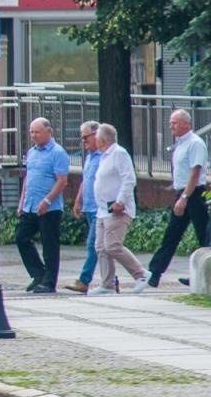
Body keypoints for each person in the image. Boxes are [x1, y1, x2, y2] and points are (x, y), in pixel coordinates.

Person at [148, 109, 209, 288]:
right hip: (182, 193)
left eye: (174, 123)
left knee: (204, 235)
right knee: (172, 234)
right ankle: (154, 273)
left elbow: (195, 172)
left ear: (186, 124)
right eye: (171, 122)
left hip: (192, 194)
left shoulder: (195, 143)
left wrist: (184, 197)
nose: (170, 126)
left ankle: (202, 272)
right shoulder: (180, 144)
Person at [91, 123, 148, 294]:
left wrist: (120, 201)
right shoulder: (104, 156)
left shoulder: (119, 154)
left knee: (113, 245)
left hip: (117, 209)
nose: (94, 139)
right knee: (101, 247)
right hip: (102, 210)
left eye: (96, 136)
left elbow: (129, 179)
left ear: (103, 138)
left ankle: (141, 274)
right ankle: (107, 284)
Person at [16, 117, 69, 293]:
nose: (33, 135)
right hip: (31, 205)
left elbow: (62, 181)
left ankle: (49, 281)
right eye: (31, 131)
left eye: (37, 132)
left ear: (48, 131)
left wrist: (47, 200)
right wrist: (22, 201)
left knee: (49, 245)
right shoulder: (32, 152)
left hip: (50, 208)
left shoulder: (58, 152)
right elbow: (28, 178)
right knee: (21, 237)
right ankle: (38, 273)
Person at [64, 122, 104, 294]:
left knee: (93, 245)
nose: (83, 141)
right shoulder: (89, 156)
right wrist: (78, 200)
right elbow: (85, 180)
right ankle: (113, 280)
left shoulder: (105, 156)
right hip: (89, 206)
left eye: (85, 137)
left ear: (96, 135)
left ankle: (84, 280)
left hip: (99, 208)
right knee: (103, 248)